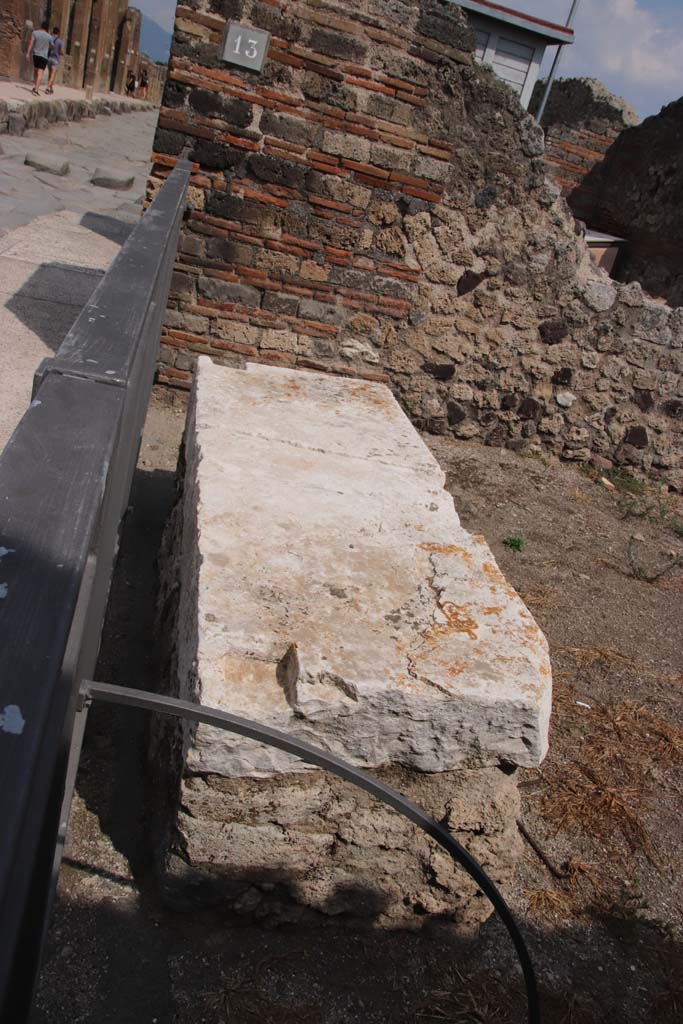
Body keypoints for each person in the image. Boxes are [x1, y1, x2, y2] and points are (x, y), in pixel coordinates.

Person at [25, 19, 52, 96]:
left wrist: (27, 53)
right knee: (40, 73)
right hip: (44, 56)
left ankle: (35, 85)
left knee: (36, 71)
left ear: (41, 26)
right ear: (47, 28)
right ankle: (36, 89)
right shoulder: (49, 36)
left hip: (36, 54)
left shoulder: (35, 33)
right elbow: (52, 46)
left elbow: (31, 43)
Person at [45, 26, 63, 95]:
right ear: (58, 33)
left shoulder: (50, 38)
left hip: (49, 58)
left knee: (50, 75)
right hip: (55, 59)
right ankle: (47, 88)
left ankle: (51, 88)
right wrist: (61, 53)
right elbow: (61, 51)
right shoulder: (59, 41)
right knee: (52, 75)